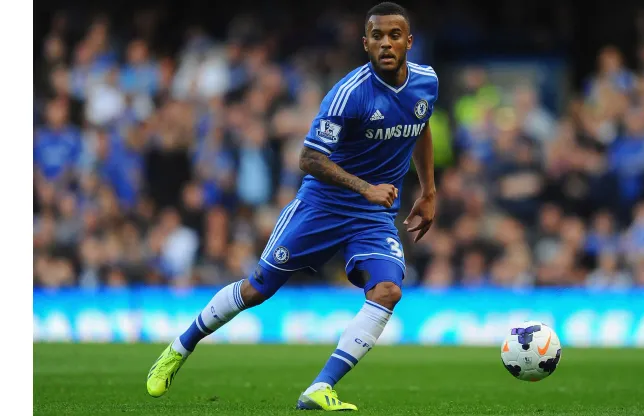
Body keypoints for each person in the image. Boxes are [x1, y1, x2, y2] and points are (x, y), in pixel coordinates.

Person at [146, 2, 439, 411]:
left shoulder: (427, 82)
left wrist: (428, 191)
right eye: (377, 36)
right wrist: (366, 188)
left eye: (394, 35)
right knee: (257, 288)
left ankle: (320, 387)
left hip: (371, 217)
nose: (386, 43)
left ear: (409, 41)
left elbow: (421, 126)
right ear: (365, 43)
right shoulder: (349, 94)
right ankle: (180, 347)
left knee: (388, 291)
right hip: (322, 206)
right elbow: (309, 159)